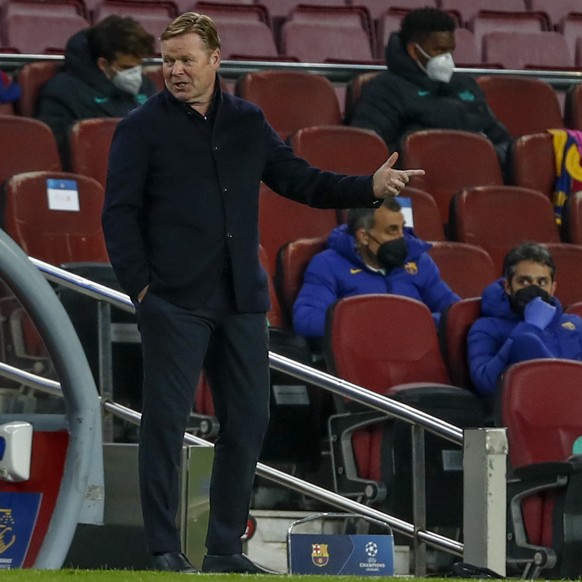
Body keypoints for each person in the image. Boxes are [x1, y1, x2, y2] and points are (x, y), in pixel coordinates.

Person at [101, 12, 425, 574]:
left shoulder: (248, 123)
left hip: (241, 298)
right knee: (165, 422)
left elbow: (302, 180)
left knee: (249, 422)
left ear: (215, 60)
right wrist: (142, 289)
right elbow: (119, 214)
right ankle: (161, 550)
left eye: (186, 60)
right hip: (173, 299)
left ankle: (224, 548)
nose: (175, 70)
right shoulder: (140, 127)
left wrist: (368, 189)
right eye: (168, 60)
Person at [350, 7, 513, 178]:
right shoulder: (384, 89)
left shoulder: (466, 86)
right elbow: (367, 151)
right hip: (413, 187)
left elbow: (504, 142)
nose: (447, 59)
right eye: (439, 50)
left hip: (474, 182)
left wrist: (479, 156)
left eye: (450, 51)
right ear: (414, 50)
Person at [293, 197, 459, 339]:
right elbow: (307, 320)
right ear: (364, 237)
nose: (402, 238)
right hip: (360, 358)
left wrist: (414, 325)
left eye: (402, 228)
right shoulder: (327, 264)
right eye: (392, 230)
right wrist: (373, 326)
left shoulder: (419, 261)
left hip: (420, 352)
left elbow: (453, 311)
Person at [37, 15, 156, 167]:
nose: (135, 75)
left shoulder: (146, 87)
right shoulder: (62, 92)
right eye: (126, 68)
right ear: (103, 64)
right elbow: (57, 153)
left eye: (139, 65)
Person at [468, 242, 582, 399]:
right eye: (524, 281)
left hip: (576, 407)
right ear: (507, 286)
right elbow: (486, 384)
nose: (534, 289)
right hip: (527, 410)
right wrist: (529, 327)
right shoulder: (486, 327)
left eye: (542, 282)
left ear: (553, 288)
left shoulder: (574, 324)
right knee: (526, 342)